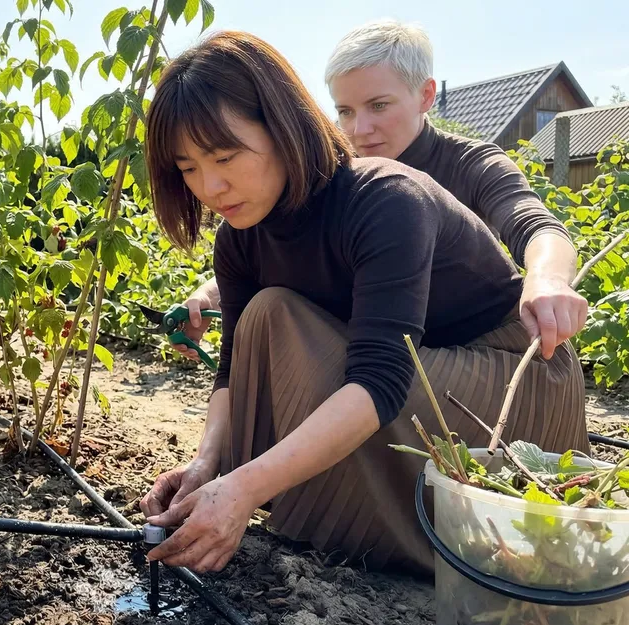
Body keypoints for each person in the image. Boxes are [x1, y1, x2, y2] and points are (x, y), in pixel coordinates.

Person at [137, 29, 590, 576]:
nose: (209, 186)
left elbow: (379, 378)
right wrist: (208, 465)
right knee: (265, 314)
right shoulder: (240, 234)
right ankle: (310, 498)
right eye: (187, 168)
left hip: (509, 376)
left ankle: (412, 529)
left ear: (282, 129)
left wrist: (243, 488)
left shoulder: (387, 196)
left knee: (286, 328)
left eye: (226, 156)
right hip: (411, 372)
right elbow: (232, 365)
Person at [171, 19, 588, 367]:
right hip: (387, 350)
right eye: (345, 111)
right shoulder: (337, 174)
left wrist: (547, 277)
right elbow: (296, 248)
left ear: (425, 95)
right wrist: (215, 291)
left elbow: (534, 223)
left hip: (470, 354)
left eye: (379, 106)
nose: (358, 129)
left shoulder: (469, 163)